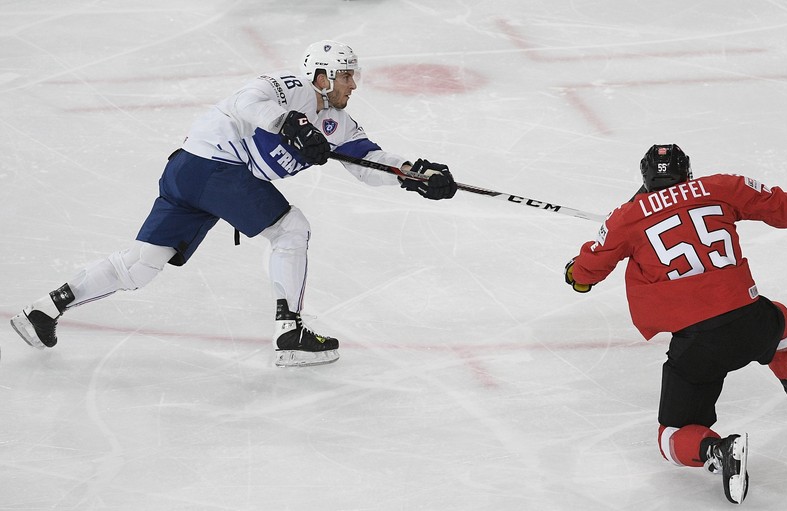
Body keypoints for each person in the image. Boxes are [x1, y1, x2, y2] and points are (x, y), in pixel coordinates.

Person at [10, 40, 457, 368]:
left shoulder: (338, 122)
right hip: (213, 166)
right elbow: (246, 101)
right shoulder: (287, 88)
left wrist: (415, 174)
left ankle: (43, 311)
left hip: (192, 174)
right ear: (320, 75)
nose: (352, 83)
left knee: (139, 266)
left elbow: (366, 161)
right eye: (345, 75)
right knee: (290, 229)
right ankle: (291, 331)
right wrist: (291, 124)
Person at [564, 144, 787, 504]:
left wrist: (575, 270)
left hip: (697, 344)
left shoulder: (626, 219)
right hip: (750, 320)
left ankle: (718, 451)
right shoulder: (720, 187)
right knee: (781, 321)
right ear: (688, 172)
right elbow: (777, 206)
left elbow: (585, 277)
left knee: (671, 437)